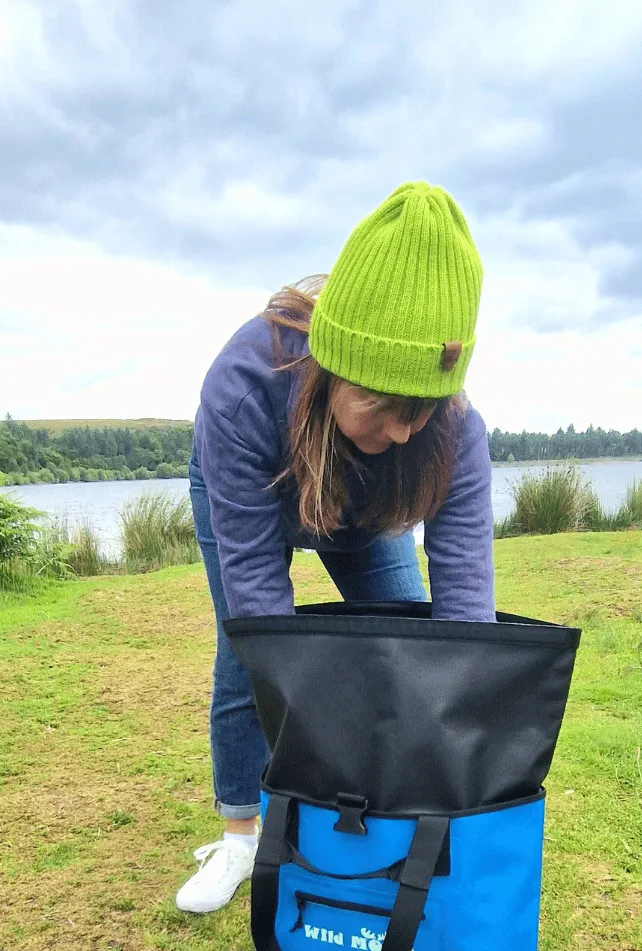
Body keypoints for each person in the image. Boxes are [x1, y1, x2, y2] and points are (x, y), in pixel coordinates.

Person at [176, 181, 495, 914]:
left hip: (361, 510)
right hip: (255, 480)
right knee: (246, 648)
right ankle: (242, 836)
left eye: (422, 409)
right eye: (382, 405)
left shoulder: (449, 429)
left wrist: (450, 750)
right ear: (331, 368)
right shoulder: (244, 386)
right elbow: (265, 610)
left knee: (403, 635)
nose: (406, 433)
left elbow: (463, 615)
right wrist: (313, 733)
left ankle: (393, 817)